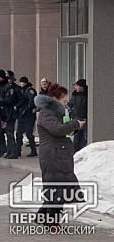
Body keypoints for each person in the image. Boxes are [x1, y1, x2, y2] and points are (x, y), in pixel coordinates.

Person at [34, 84, 86, 224]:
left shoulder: (57, 112)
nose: (66, 102)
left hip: (59, 154)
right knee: (56, 189)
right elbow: (57, 130)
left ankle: (42, 217)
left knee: (58, 187)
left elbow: (62, 130)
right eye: (64, 99)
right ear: (55, 99)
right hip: (53, 155)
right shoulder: (47, 113)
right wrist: (75, 124)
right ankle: (52, 222)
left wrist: (74, 127)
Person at [0, 69, 19, 159]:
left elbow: (10, 100)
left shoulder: (9, 87)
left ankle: (13, 152)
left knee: (10, 133)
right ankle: (8, 151)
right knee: (5, 133)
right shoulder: (0, 87)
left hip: (9, 113)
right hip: (3, 113)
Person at [16, 77, 38, 158]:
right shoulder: (21, 90)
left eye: (22, 82)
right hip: (22, 115)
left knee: (29, 134)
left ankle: (33, 150)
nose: (21, 84)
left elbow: (32, 101)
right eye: (20, 82)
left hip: (29, 116)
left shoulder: (29, 90)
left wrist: (25, 110)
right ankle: (18, 150)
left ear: (25, 83)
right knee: (19, 133)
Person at [69, 79, 88, 152]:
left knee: (84, 138)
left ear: (81, 86)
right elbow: (70, 104)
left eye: (77, 86)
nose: (75, 87)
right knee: (76, 138)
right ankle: (75, 154)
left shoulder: (87, 95)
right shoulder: (74, 94)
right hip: (76, 119)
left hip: (84, 119)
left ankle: (82, 152)